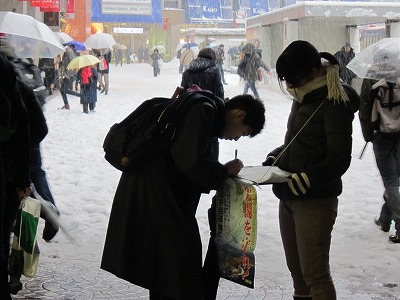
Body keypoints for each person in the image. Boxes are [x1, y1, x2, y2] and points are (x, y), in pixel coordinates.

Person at [101, 93, 266, 299]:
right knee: (179, 263)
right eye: (243, 132)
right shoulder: (204, 111)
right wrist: (223, 172)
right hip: (156, 192)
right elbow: (189, 162)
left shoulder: (205, 109)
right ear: (239, 115)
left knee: (167, 266)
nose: (236, 138)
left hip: (158, 190)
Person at [261, 40, 360, 300]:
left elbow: (339, 159)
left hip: (315, 201)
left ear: (314, 71)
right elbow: (298, 142)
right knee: (297, 275)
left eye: (294, 79)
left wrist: (306, 179)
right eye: (287, 81)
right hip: (289, 197)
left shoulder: (334, 101)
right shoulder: (305, 94)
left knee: (315, 276)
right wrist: (277, 157)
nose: (290, 86)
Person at [359, 77, 400, 243]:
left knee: (391, 182)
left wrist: (368, 136)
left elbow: (364, 111)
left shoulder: (372, 81)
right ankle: (385, 219)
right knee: (394, 180)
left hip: (382, 137)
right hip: (399, 136)